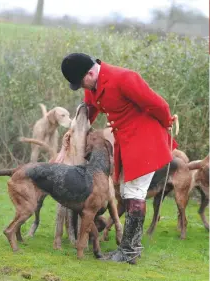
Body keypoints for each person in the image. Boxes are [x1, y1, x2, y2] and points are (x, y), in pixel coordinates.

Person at [61, 53, 177, 264]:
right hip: (126, 141)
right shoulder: (93, 85)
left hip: (145, 139)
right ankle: (132, 248)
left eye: (81, 82)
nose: (83, 87)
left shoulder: (124, 78)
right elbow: (92, 108)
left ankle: (129, 251)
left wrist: (167, 123)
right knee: (125, 192)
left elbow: (157, 104)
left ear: (90, 72)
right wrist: (77, 129)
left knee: (134, 192)